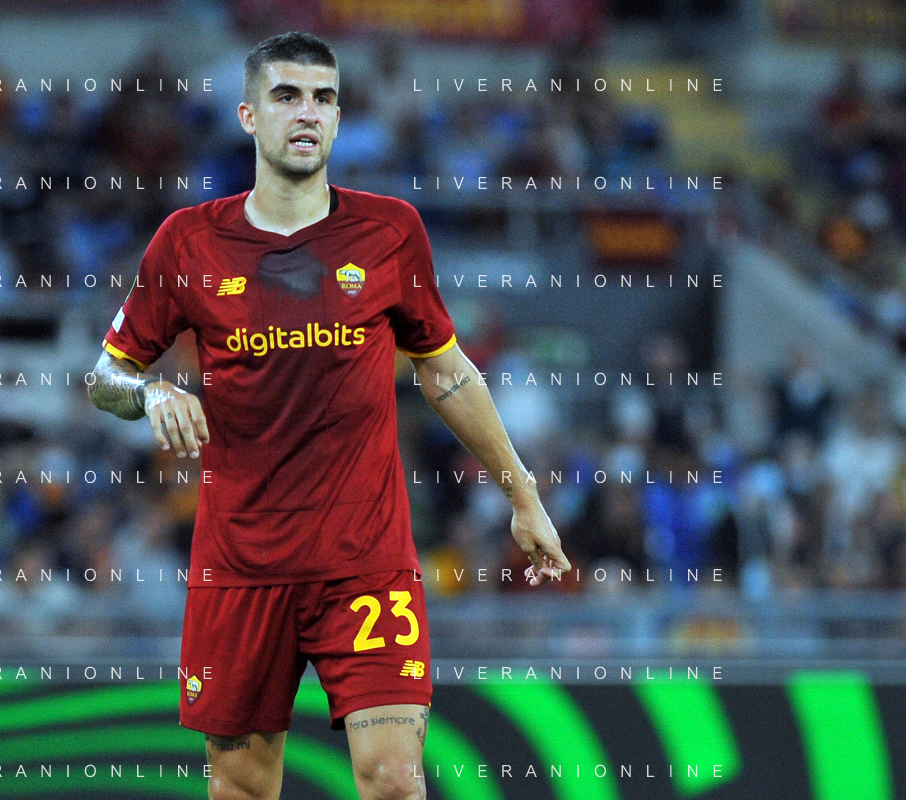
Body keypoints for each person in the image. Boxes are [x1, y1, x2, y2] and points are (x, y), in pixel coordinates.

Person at [88, 31, 570, 800]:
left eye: (322, 98)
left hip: (365, 561)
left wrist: (522, 493)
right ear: (249, 115)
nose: (306, 112)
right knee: (241, 787)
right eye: (286, 96)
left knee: (394, 780)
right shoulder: (187, 242)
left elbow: (445, 371)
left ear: (339, 119)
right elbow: (106, 376)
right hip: (240, 566)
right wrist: (151, 393)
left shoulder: (389, 232)